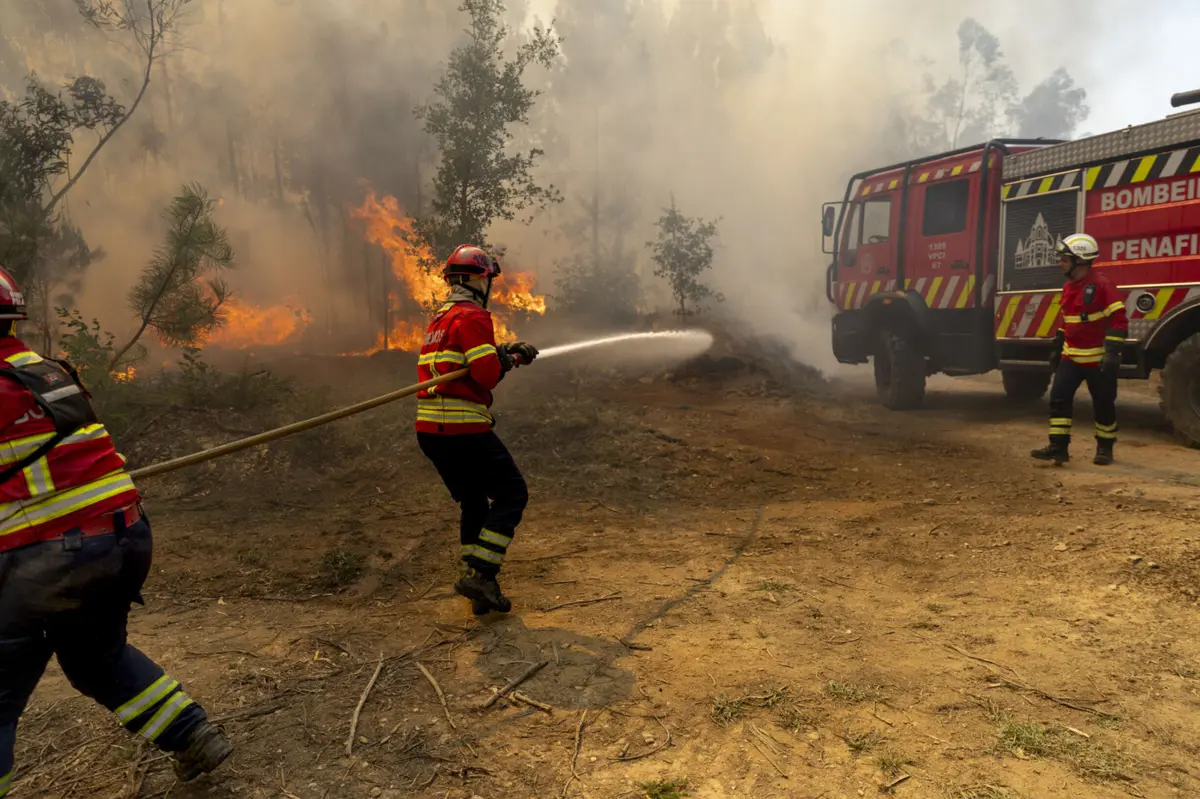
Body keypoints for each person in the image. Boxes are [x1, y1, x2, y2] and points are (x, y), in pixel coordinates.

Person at [0, 266, 232, 794]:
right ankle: (190, 734)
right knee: (95, 657)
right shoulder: (48, 371)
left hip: (52, 556)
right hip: (125, 535)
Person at [415, 245, 539, 616]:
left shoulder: (440, 320)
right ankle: (483, 574)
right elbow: (485, 375)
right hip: (462, 428)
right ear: (478, 280)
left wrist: (501, 350)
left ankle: (478, 585)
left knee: (473, 501)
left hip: (431, 432)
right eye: (488, 281)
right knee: (512, 493)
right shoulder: (474, 316)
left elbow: (465, 360)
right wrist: (509, 360)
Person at [1031, 233, 1127, 466]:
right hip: (1071, 357)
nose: (1060, 263)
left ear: (1080, 260)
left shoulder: (1103, 284)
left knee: (1103, 404)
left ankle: (1105, 448)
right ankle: (1058, 448)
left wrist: (1112, 353)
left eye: (1064, 259)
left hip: (1097, 359)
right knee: (1058, 400)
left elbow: (1119, 321)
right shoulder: (1068, 287)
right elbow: (1068, 320)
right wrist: (1057, 346)